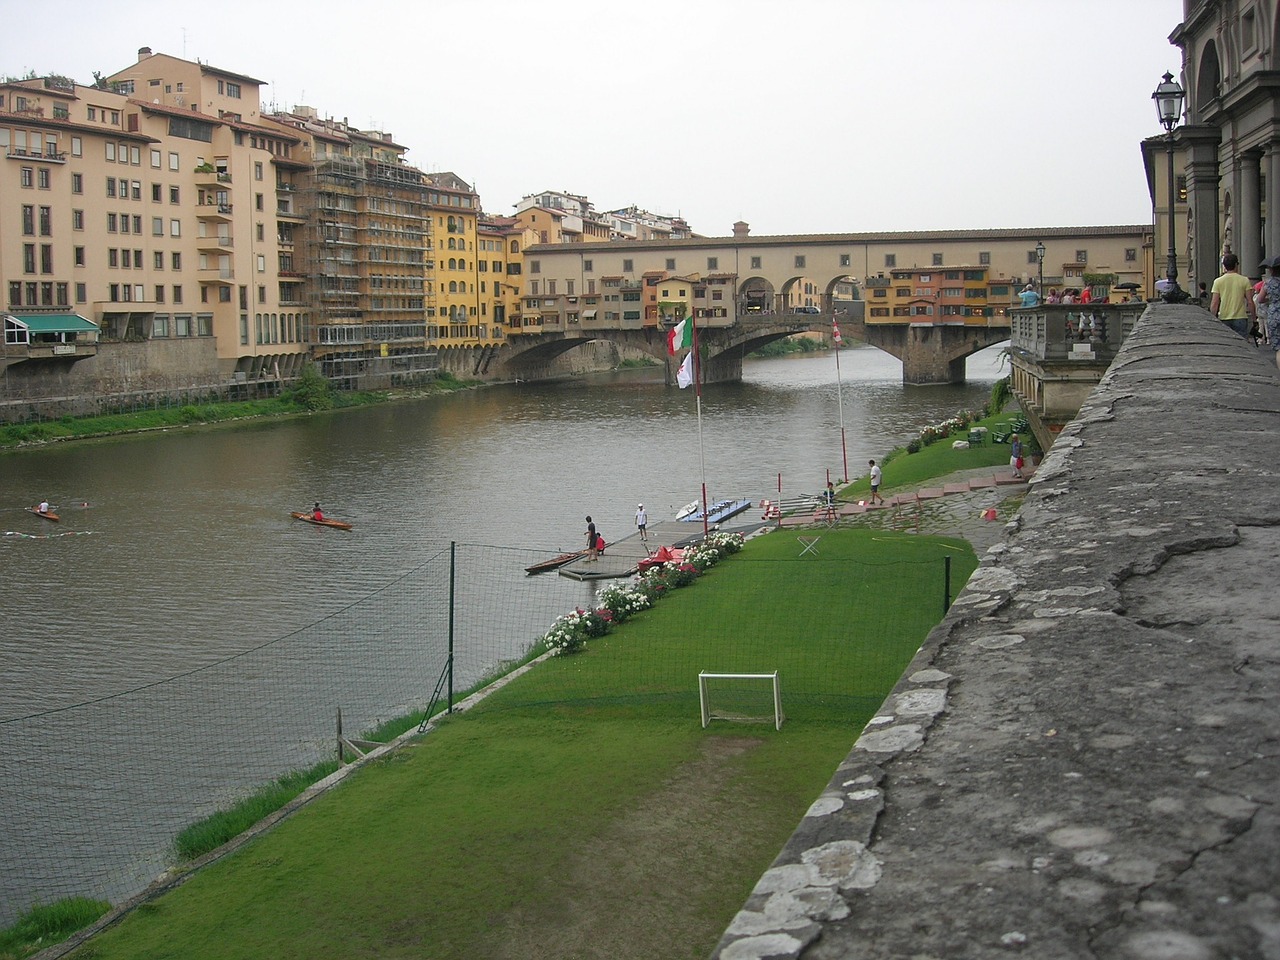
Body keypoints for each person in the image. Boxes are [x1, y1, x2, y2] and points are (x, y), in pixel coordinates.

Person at [1210, 252, 1256, 338]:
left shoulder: (1218, 281)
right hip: (1240, 317)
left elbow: (1214, 303)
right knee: (1242, 344)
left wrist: (1213, 318)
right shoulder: (1244, 280)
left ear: (1224, 266)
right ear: (1236, 265)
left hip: (1224, 317)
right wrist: (1254, 318)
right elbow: (1250, 302)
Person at [1255, 256, 1280, 371]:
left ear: (1271, 269)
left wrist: (1271, 299)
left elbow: (1260, 299)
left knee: (1278, 348)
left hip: (1274, 315)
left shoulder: (1268, 283)